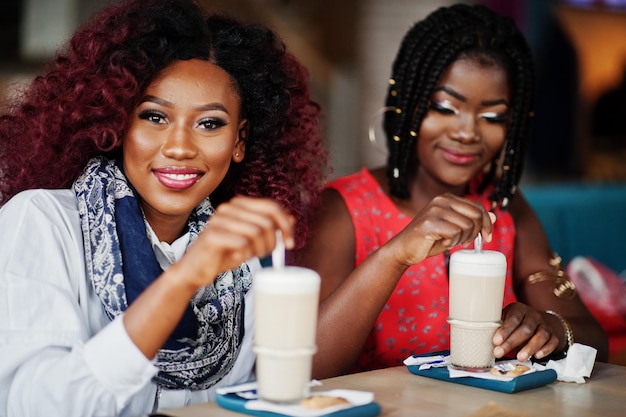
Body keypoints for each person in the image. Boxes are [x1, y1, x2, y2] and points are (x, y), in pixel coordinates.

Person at [0, 0, 328, 416]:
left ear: (239, 141)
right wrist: (183, 281)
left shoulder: (248, 262)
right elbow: (34, 407)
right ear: (118, 122)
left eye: (209, 123)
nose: (179, 147)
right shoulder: (43, 223)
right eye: (155, 117)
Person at [295, 3, 608, 379]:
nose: (467, 132)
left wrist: (548, 328)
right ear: (407, 107)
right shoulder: (344, 207)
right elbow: (309, 366)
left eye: (492, 116)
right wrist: (395, 255)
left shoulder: (504, 206)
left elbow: (594, 339)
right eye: (445, 108)